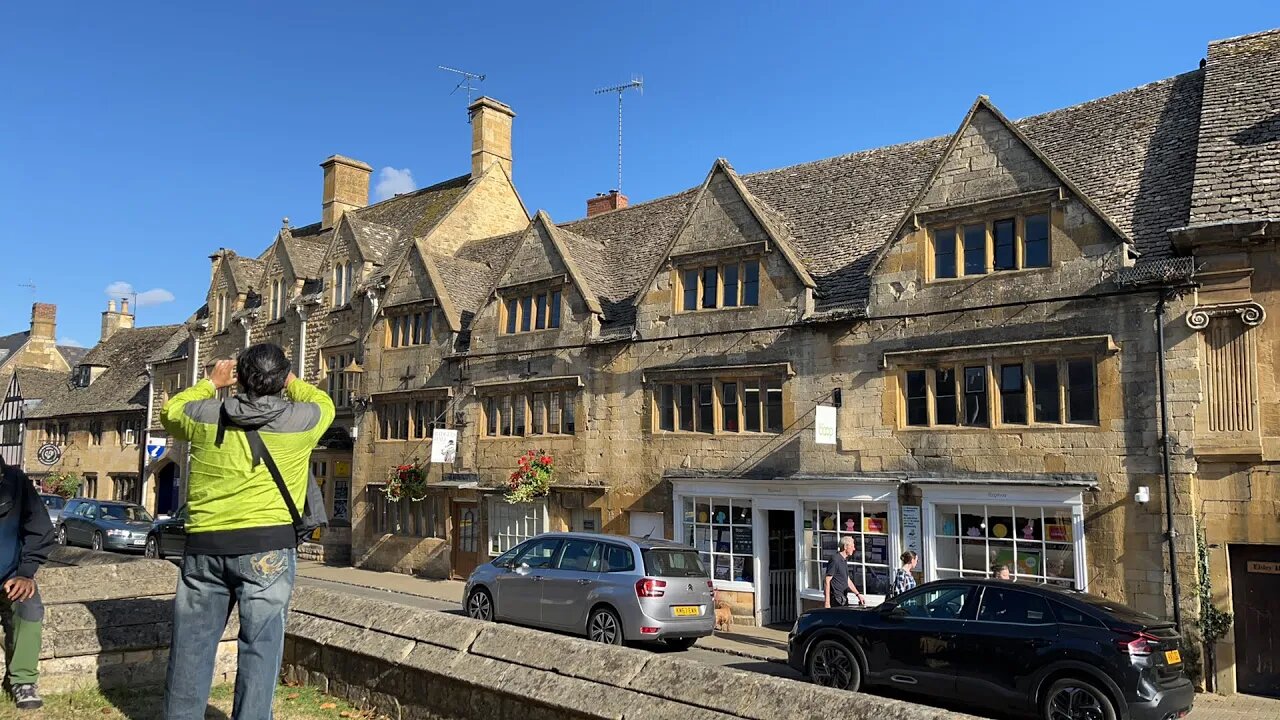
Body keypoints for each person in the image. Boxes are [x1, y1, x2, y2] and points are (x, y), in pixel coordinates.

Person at [160, 344, 333, 720]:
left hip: (206, 544)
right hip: (267, 547)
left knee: (191, 646)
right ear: (281, 379)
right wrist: (286, 376)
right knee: (261, 647)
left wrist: (211, 382)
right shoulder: (304, 419)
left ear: (239, 376)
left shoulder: (204, 413)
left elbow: (170, 412)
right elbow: (323, 400)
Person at [0, 458, 55, 711]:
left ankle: (23, 681)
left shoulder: (15, 481)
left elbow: (40, 529)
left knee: (30, 608)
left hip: (10, 575)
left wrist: (25, 572)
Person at [823, 536, 866, 608]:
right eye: (852, 546)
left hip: (843, 598)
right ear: (845, 547)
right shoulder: (835, 560)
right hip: (836, 599)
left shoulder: (844, 560)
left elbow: (847, 580)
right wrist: (827, 603)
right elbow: (827, 580)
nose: (854, 549)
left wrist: (858, 594)